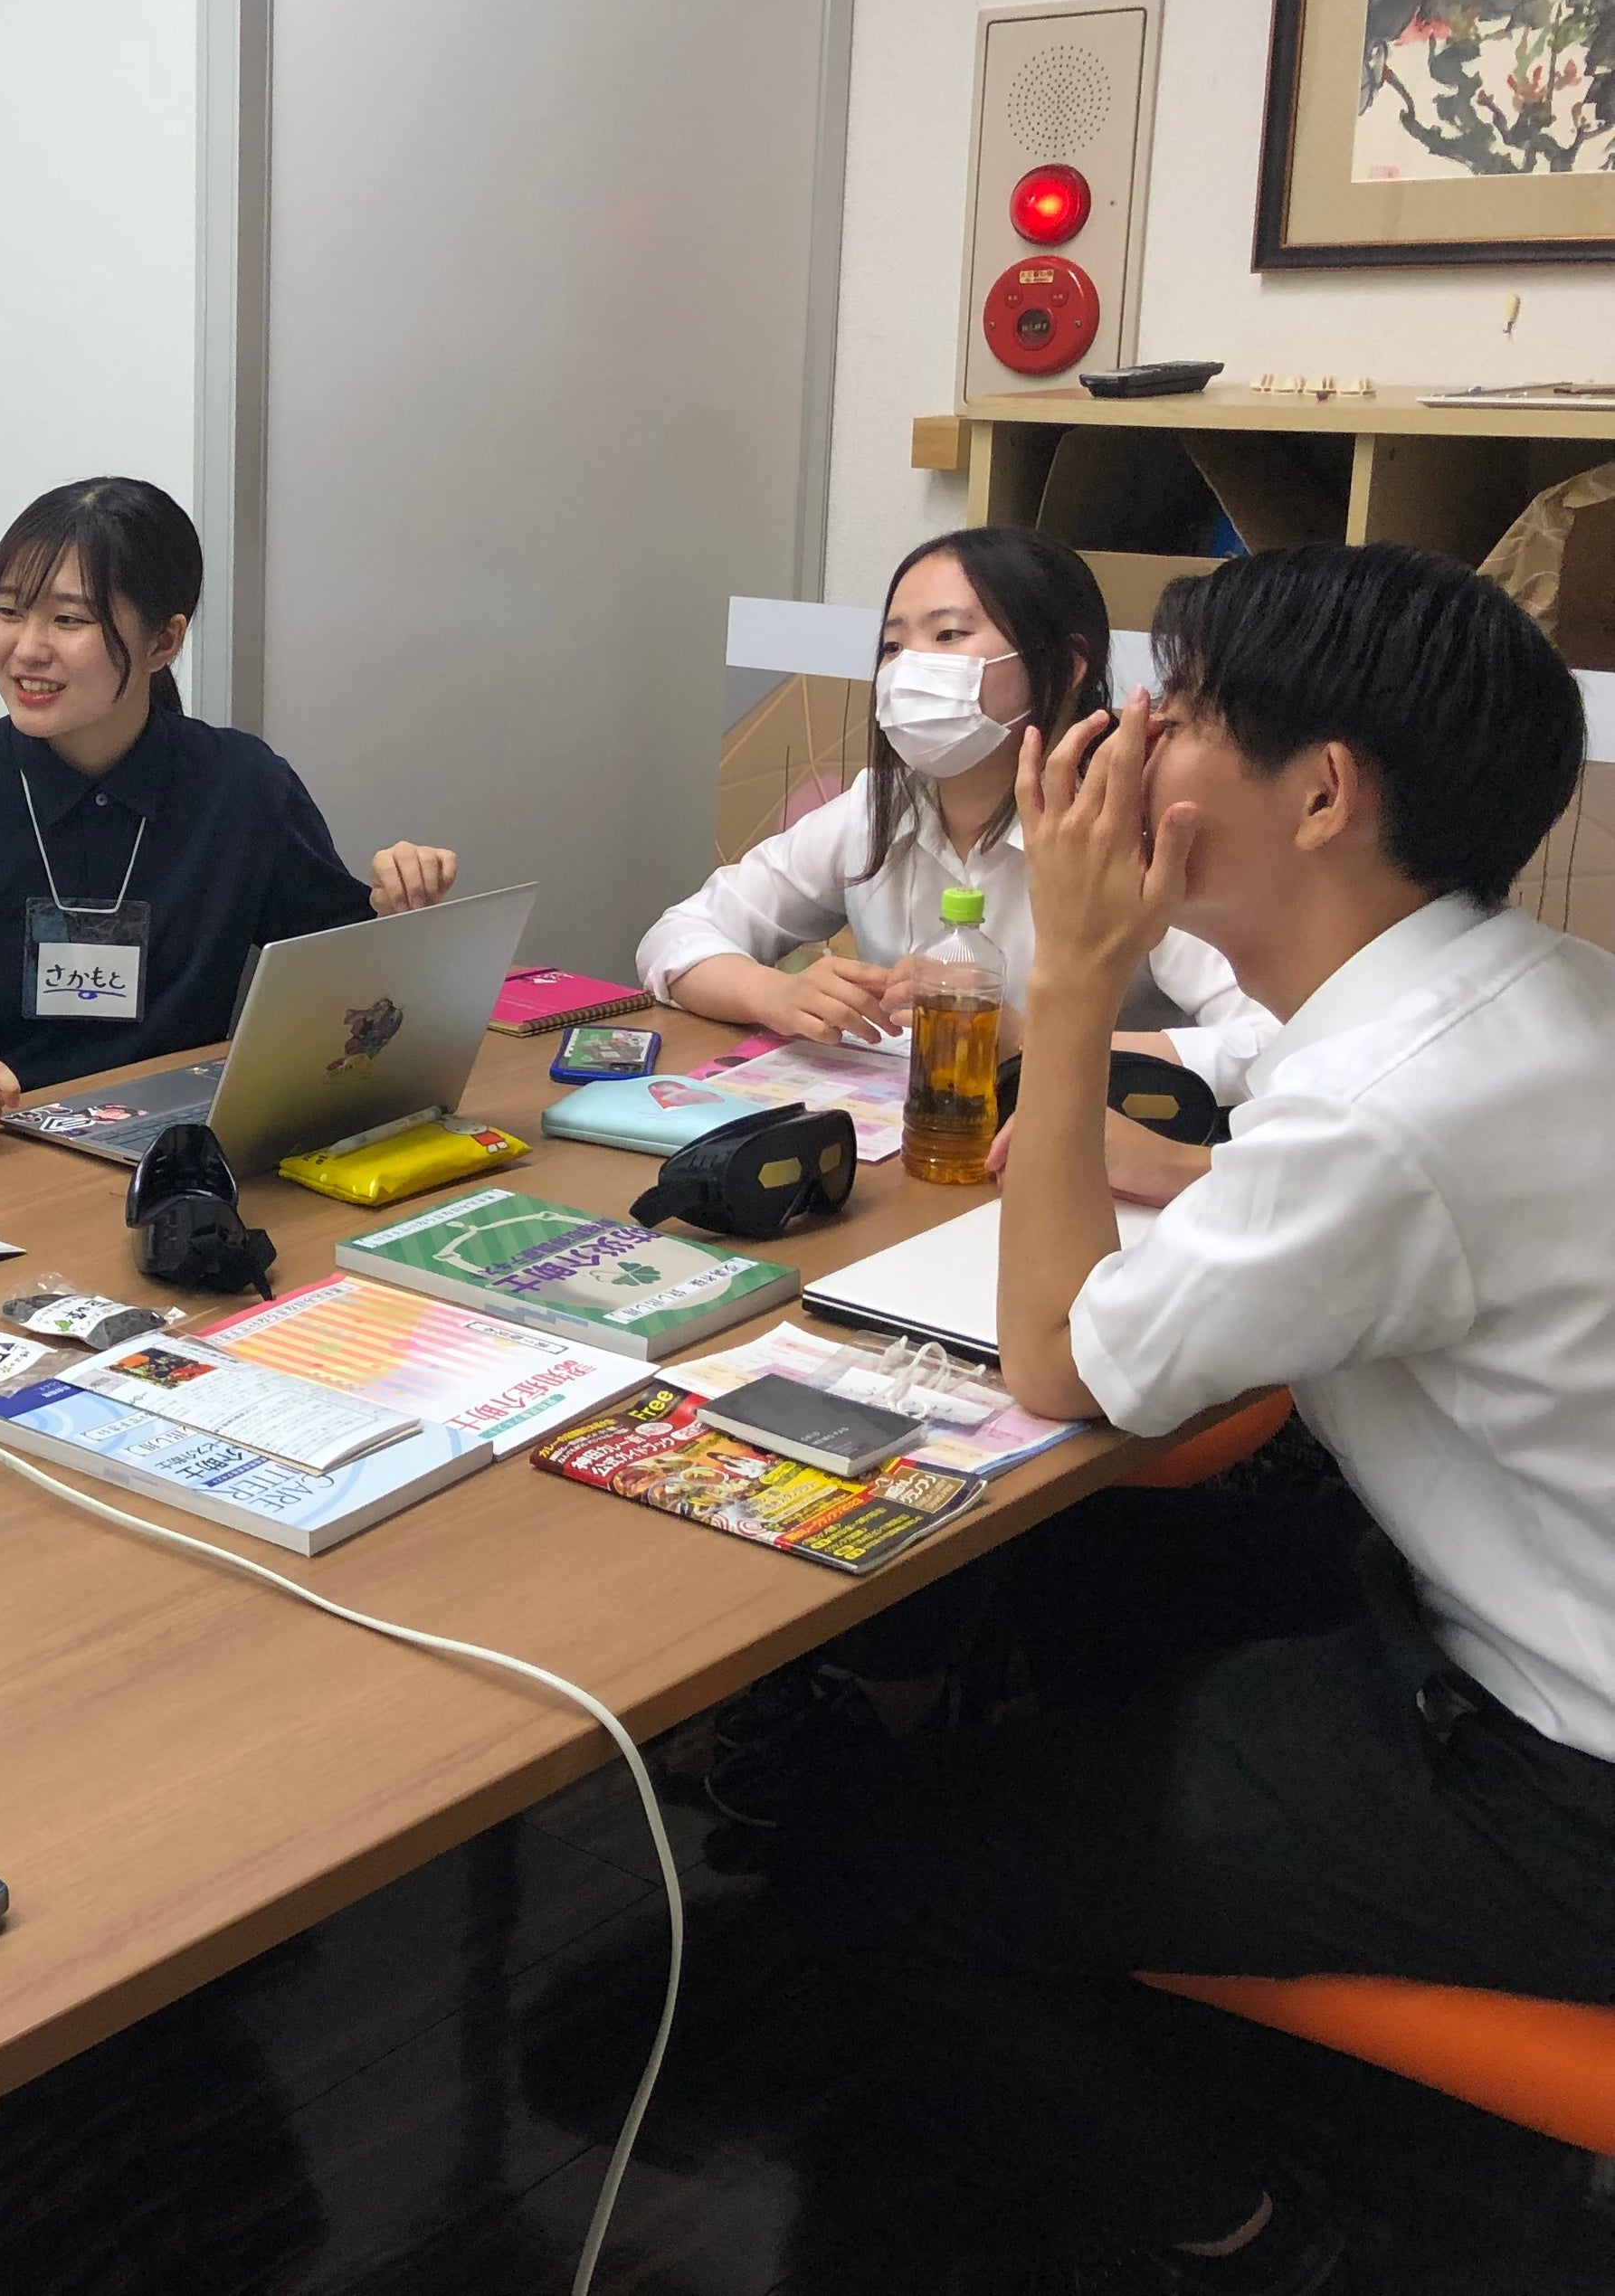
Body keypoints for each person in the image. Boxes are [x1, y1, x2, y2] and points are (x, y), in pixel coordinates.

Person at [775, 544, 1615, 2295]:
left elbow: (1057, 1365)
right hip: (1521, 1625)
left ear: (1322, 795)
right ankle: (1176, 1991)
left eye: (1187, 712)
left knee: (878, 1860)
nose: (1133, 742)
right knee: (1089, 1574)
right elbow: (1400, 1195)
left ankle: (1243, 2234)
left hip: (1564, 1783)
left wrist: (1080, 981)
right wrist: (1199, 1174)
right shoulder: (1536, 987)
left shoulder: (1381, 1107)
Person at [0, 478, 461, 1147]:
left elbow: (347, 998)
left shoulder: (244, 787)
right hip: (0, 1155)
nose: (27, 648)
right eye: (9, 611)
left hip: (186, 1150)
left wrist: (399, 909)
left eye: (69, 620)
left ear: (163, 641)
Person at [638, 526, 1271, 1082]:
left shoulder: (1134, 835)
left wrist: (1032, 1042)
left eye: (948, 634)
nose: (909, 668)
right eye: (893, 647)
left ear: (1066, 663)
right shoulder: (877, 808)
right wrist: (775, 994)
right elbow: (676, 937)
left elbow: (1271, 1044)